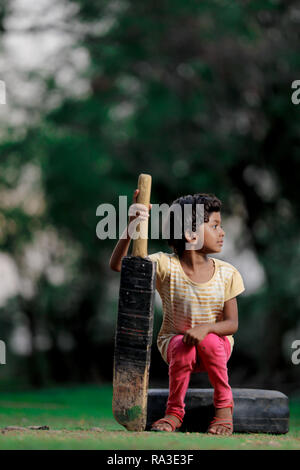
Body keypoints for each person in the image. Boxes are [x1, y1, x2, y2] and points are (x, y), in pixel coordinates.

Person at [109, 189, 245, 436]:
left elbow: (232, 324)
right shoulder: (165, 265)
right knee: (183, 345)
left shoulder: (228, 273)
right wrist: (132, 224)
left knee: (212, 342)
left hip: (217, 347)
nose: (222, 232)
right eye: (215, 226)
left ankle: (224, 409)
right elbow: (119, 265)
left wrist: (206, 328)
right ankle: (174, 413)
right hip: (175, 346)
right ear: (190, 234)